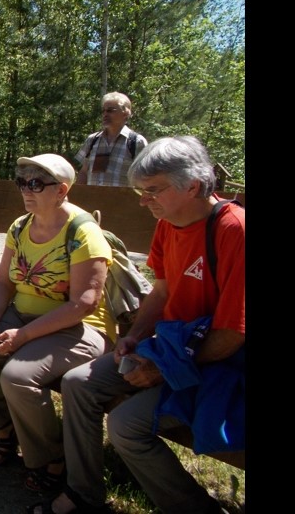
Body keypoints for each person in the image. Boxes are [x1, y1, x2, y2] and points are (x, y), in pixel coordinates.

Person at [32, 136, 245, 514]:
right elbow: (160, 294)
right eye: (140, 192)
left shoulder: (234, 232)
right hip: (172, 347)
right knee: (78, 383)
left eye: (152, 191)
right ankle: (84, 493)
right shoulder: (168, 222)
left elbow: (230, 337)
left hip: (217, 363)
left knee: (126, 425)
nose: (145, 201)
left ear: (193, 186)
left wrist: (160, 368)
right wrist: (132, 337)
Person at [0, 154, 115, 494]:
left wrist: (23, 335)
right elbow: (2, 282)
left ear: (62, 190)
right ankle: (5, 429)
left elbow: (85, 303)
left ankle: (52, 457)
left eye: (37, 184)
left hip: (77, 327)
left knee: (18, 375)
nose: (27, 190)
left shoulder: (83, 232)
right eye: (23, 182)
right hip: (20, 314)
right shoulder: (21, 226)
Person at [74, 92, 148, 187]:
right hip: (91, 201)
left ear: (125, 113)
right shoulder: (92, 140)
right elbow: (83, 172)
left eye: (110, 111)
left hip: (122, 201)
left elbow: (145, 177)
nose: (105, 114)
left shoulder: (136, 142)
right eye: (103, 111)